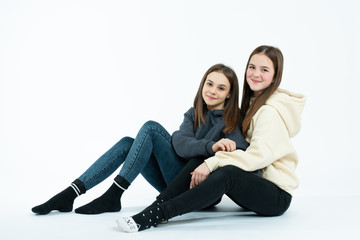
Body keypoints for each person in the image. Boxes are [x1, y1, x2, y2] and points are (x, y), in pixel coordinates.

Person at [116, 45, 306, 232]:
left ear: (275, 76)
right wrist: (212, 156)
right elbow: (183, 141)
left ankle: (160, 213)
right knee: (205, 158)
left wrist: (214, 162)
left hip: (275, 195)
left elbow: (258, 156)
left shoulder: (269, 112)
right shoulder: (252, 104)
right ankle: (158, 205)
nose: (256, 74)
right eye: (252, 67)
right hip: (253, 184)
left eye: (264, 70)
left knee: (225, 171)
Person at [31, 63, 250, 215]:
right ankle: (71, 193)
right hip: (174, 179)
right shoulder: (194, 114)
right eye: (209, 84)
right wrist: (210, 145)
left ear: (230, 94)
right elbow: (179, 144)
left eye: (221, 88)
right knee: (129, 143)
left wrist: (215, 155)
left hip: (199, 191)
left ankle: (113, 195)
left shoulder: (234, 120)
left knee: (151, 129)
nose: (212, 91)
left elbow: (241, 155)